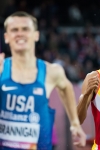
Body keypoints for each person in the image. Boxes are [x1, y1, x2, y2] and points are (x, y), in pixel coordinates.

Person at [0, 11, 86, 150]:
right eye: (14, 30)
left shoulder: (52, 72)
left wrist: (75, 123)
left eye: (25, 29)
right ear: (6, 37)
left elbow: (65, 87)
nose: (20, 33)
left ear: (36, 35)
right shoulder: (1, 69)